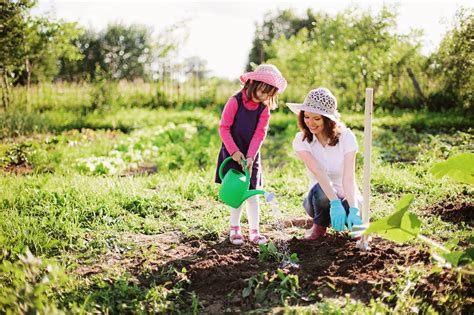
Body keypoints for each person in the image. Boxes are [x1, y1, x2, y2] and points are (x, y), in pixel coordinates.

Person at [215, 64, 287, 245]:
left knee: (252, 194)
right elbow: (224, 128)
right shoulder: (235, 102)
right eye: (263, 91)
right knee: (237, 192)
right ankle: (235, 229)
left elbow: (259, 133)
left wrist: (250, 156)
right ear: (253, 83)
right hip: (232, 152)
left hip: (251, 156)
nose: (264, 97)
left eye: (268, 94)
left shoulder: (263, 109)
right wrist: (235, 152)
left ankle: (254, 232)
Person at [287, 88, 363, 240]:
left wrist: (353, 208)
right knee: (322, 190)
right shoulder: (301, 140)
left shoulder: (346, 137)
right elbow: (319, 172)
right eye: (306, 117)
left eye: (316, 118)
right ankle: (319, 227)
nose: (310, 123)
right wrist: (335, 203)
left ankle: (356, 224)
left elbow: (349, 178)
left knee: (357, 229)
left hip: (346, 195)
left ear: (328, 120)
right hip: (318, 200)